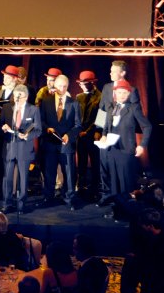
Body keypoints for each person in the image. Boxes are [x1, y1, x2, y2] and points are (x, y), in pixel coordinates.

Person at [97, 61, 141, 206]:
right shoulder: (107, 87)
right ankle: (107, 195)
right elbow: (102, 109)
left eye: (113, 71)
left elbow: (134, 114)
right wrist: (100, 131)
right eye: (110, 70)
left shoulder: (132, 90)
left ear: (122, 73)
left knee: (120, 171)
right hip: (106, 135)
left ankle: (122, 198)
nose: (110, 73)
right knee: (104, 166)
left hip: (122, 139)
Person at [100, 80, 152, 200]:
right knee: (114, 184)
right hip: (112, 150)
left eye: (125, 92)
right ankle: (118, 207)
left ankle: (128, 207)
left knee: (126, 185)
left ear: (129, 94)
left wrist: (142, 145)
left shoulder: (134, 108)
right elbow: (107, 125)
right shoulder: (112, 107)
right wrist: (103, 135)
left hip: (126, 151)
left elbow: (148, 126)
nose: (122, 95)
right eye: (119, 92)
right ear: (115, 93)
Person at [39, 75, 81, 209]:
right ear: (54, 86)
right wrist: (47, 128)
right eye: (59, 86)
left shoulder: (74, 103)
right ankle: (48, 197)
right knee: (49, 172)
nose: (62, 89)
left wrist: (69, 135)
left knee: (68, 173)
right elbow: (41, 120)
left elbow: (78, 125)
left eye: (65, 86)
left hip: (66, 144)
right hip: (50, 143)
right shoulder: (46, 101)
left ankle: (69, 198)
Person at [120, 208, 164, 293]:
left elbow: (157, 268)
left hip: (160, 290)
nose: (140, 227)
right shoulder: (151, 238)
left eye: (142, 224)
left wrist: (137, 258)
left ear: (150, 226)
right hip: (153, 285)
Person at [0, 84, 41, 214]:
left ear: (26, 97)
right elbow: (0, 124)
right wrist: (3, 128)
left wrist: (28, 136)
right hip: (10, 146)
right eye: (15, 96)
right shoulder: (7, 108)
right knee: (7, 177)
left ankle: (21, 204)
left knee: (23, 178)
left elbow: (38, 130)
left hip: (24, 147)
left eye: (20, 97)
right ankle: (7, 203)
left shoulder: (33, 110)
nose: (17, 99)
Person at [0, 65, 21, 191]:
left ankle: (9, 186)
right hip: (0, 126)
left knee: (9, 156)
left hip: (11, 126)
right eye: (4, 77)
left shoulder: (19, 91)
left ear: (15, 79)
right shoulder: (0, 88)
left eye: (7, 77)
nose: (4, 79)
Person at [75, 71, 102, 199]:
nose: (82, 86)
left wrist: (91, 131)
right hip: (80, 135)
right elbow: (76, 116)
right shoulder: (79, 97)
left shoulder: (100, 97)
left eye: (85, 84)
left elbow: (101, 117)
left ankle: (95, 188)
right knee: (81, 162)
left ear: (92, 83)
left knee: (95, 162)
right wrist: (78, 130)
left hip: (93, 134)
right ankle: (81, 187)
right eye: (81, 84)